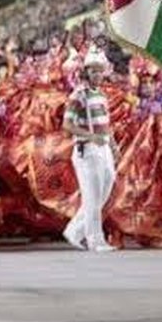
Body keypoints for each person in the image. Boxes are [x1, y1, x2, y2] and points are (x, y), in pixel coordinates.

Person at [62, 46, 118, 252]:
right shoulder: (79, 95)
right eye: (92, 70)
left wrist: (113, 145)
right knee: (92, 196)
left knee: (104, 191)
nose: (96, 74)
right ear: (86, 72)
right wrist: (90, 136)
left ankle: (74, 231)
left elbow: (106, 123)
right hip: (87, 150)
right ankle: (96, 240)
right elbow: (67, 125)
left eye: (99, 70)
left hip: (104, 150)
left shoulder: (101, 95)